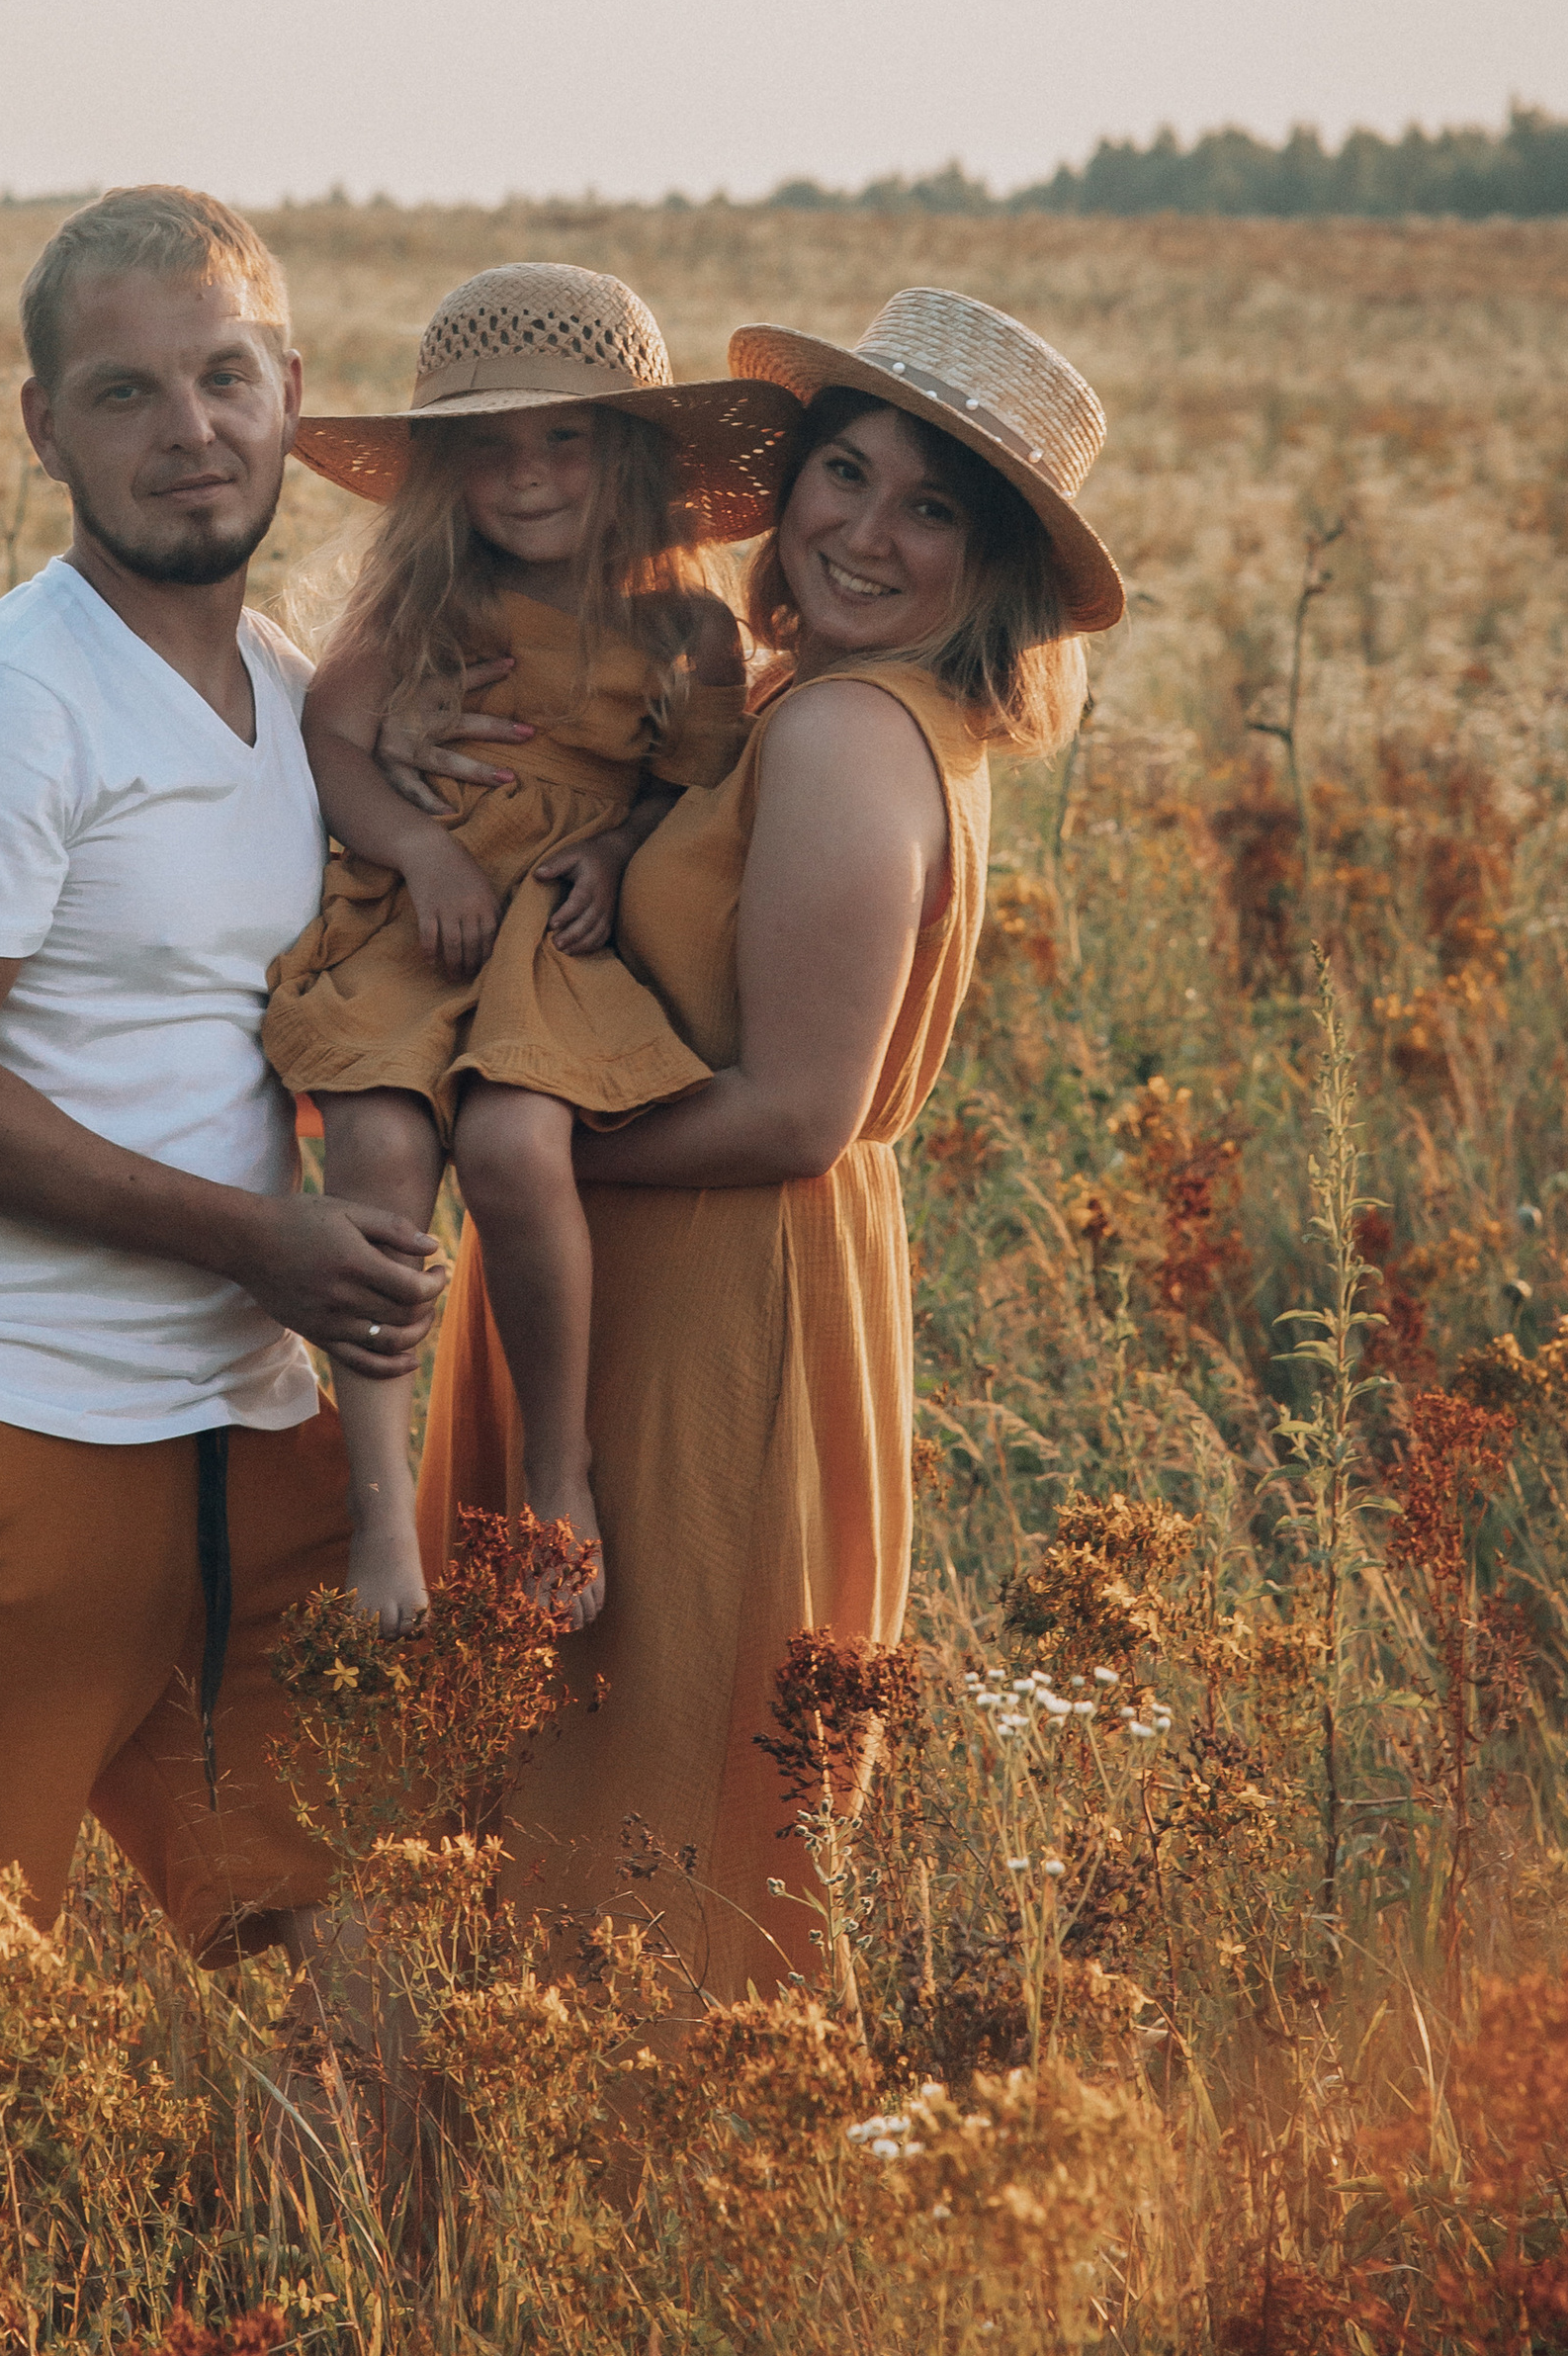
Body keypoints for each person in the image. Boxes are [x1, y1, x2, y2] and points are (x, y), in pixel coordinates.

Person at [415, 286, 1124, 1998]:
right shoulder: (863, 715)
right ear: (790, 485)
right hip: (713, 1281)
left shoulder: (839, 732)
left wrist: (520, 1161)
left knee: (630, 1805)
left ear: (997, 569)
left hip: (704, 1309)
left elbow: (799, 1108)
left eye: (932, 508)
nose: (866, 533)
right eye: (845, 474)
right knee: (632, 1799)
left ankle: (592, 2203)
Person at [0, 184, 445, 1959]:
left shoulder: (299, 704)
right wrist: (258, 1243)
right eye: (127, 393)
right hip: (11, 1440)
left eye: (225, 377)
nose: (191, 434)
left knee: (348, 1931)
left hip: (250, 1441)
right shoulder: (5, 702)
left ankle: (349, 2253)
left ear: (292, 393)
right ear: (42, 428)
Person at [262, 266, 796, 1637]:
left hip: (548, 942)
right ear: (447, 473)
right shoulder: (429, 601)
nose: (529, 474)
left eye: (565, 436)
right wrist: (420, 847)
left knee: (511, 1148)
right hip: (421, 917)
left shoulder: (686, 629)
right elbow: (332, 736)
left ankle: (558, 1466)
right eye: (490, 445)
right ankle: (381, 1512)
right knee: (375, 1148)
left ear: (627, 453)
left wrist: (614, 855)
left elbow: (692, 791)